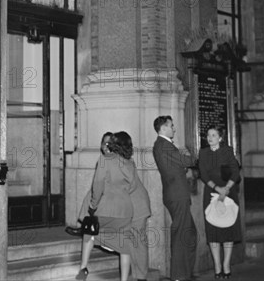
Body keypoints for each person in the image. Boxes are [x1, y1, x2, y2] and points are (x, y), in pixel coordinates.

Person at [75, 131, 137, 281]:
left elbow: (97, 187)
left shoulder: (104, 160)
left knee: (89, 232)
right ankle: (123, 279)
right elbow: (132, 187)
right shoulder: (131, 163)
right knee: (125, 246)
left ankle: (83, 268)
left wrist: (92, 206)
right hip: (126, 211)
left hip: (106, 208)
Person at [153, 115, 197, 281]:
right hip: (177, 195)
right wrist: (192, 156)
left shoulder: (163, 145)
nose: (174, 128)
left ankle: (185, 272)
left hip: (176, 193)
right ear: (163, 128)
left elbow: (175, 166)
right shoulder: (164, 145)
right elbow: (188, 160)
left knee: (190, 233)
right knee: (182, 234)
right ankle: (179, 275)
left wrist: (182, 166)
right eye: (171, 125)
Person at [198, 127, 241, 279]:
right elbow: (203, 174)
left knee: (228, 229)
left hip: (229, 193)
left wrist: (226, 188)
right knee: (213, 230)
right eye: (208, 135)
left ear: (220, 138)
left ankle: (226, 264)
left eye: (214, 135)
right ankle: (217, 266)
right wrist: (217, 188)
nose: (210, 138)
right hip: (211, 193)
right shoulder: (203, 153)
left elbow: (235, 171)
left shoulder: (227, 151)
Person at [65, 132, 113, 237]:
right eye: (104, 143)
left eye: (109, 143)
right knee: (91, 194)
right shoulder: (104, 159)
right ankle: (84, 226)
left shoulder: (108, 159)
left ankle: (85, 227)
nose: (105, 146)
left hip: (114, 195)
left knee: (93, 195)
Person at [127, 132, 151, 281]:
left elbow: (126, 187)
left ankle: (141, 277)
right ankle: (137, 275)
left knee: (139, 243)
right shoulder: (126, 161)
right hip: (134, 207)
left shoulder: (126, 163)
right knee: (133, 242)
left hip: (138, 208)